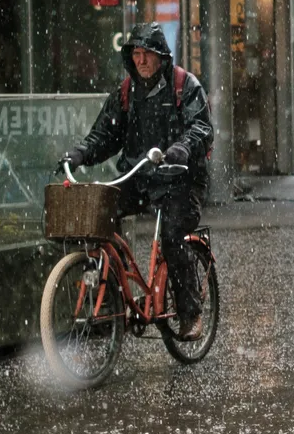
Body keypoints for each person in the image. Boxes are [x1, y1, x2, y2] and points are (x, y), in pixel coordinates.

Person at [60, 23, 214, 340]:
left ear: (160, 57)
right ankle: (111, 297)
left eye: (146, 54)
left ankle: (191, 314)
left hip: (182, 180)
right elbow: (104, 136)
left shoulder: (185, 85)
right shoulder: (127, 92)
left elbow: (201, 128)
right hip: (141, 176)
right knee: (99, 211)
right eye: (136, 54)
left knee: (172, 235)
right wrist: (80, 153)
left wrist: (182, 147)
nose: (140, 60)